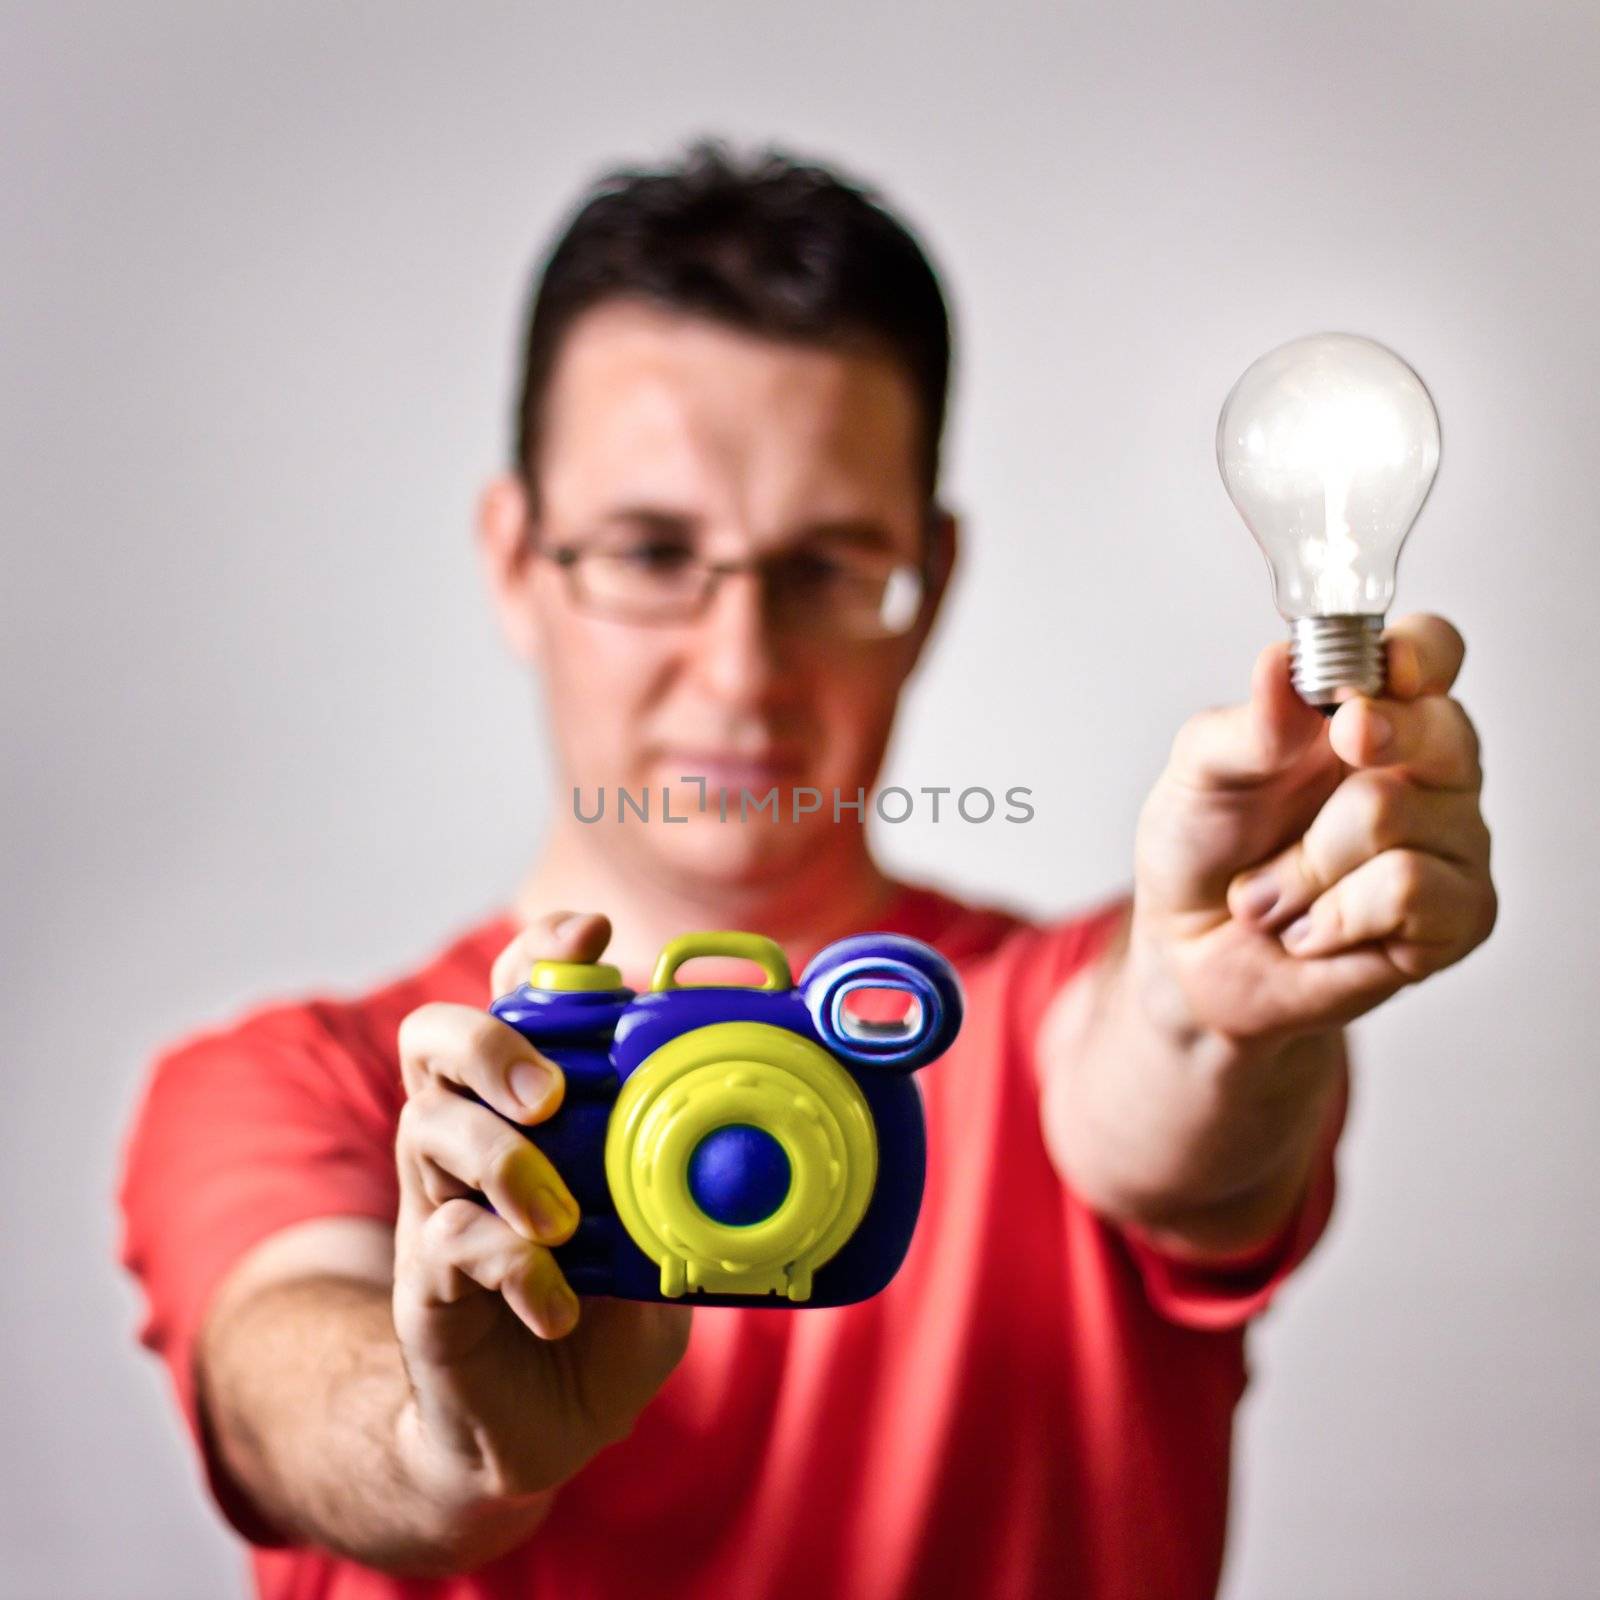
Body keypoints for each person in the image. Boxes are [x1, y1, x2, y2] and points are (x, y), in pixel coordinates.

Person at [117, 140, 1497, 1600]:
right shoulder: (305, 1089)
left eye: (828, 568)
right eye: (654, 552)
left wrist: (1221, 1005)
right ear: (518, 560)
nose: (741, 669)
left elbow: (1162, 1084)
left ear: (930, 584)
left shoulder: (1045, 1023)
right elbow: (291, 1373)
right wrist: (434, 1438)